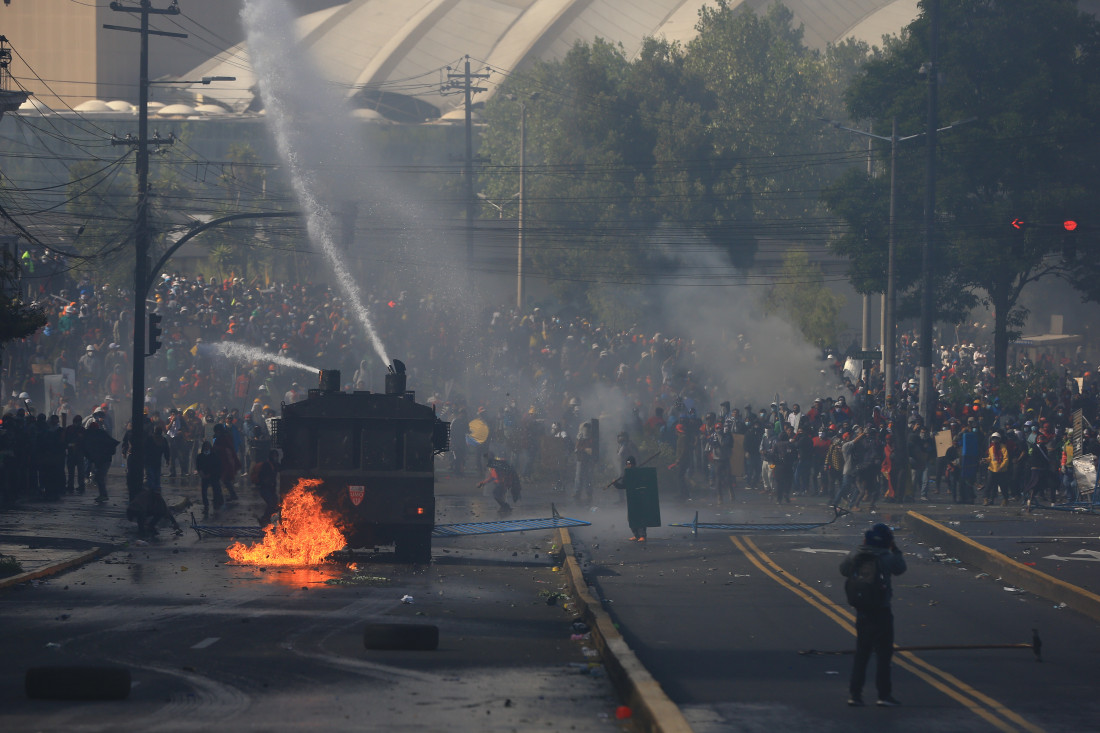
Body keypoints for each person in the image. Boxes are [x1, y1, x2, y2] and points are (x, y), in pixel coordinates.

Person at [840, 522, 907, 707]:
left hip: (862, 611)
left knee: (862, 655)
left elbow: (843, 570)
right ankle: (883, 695)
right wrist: (896, 550)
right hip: (882, 611)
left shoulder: (856, 554)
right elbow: (900, 568)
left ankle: (855, 695)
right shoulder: (886, 557)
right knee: (884, 656)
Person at [249, 448, 281, 526]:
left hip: (271, 489)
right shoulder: (266, 465)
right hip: (265, 489)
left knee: (275, 505)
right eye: (274, 456)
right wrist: (267, 482)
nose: (275, 458)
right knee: (271, 504)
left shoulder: (275, 465)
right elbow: (262, 477)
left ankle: (266, 519)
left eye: (276, 456)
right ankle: (264, 519)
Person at [195, 440, 223, 514]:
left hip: (213, 476)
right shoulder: (200, 456)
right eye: (205, 447)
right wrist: (201, 473)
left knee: (215, 490)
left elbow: (217, 466)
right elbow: (198, 466)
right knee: (204, 492)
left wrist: (211, 474)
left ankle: (216, 503)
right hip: (204, 476)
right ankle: (206, 505)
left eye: (208, 446)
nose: (207, 448)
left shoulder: (214, 455)